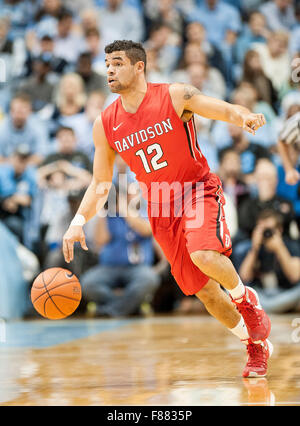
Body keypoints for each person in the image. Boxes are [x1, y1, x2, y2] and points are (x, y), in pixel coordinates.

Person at [62, 40, 272, 378]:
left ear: (139, 66)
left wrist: (243, 116)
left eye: (117, 63)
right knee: (204, 292)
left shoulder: (175, 95)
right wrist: (77, 221)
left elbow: (219, 108)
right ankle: (255, 345)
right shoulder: (105, 123)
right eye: (107, 64)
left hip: (197, 189)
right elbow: (100, 183)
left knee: (204, 253)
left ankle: (245, 298)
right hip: (160, 207)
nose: (109, 70)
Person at [233, 209, 300, 314]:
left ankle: (263, 309)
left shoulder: (291, 246)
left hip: (284, 294)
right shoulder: (253, 247)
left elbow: (295, 277)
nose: (266, 234)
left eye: (269, 230)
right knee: (234, 292)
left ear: (280, 230)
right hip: (261, 294)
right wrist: (254, 249)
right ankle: (274, 308)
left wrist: (280, 248)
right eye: (262, 230)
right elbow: (244, 278)